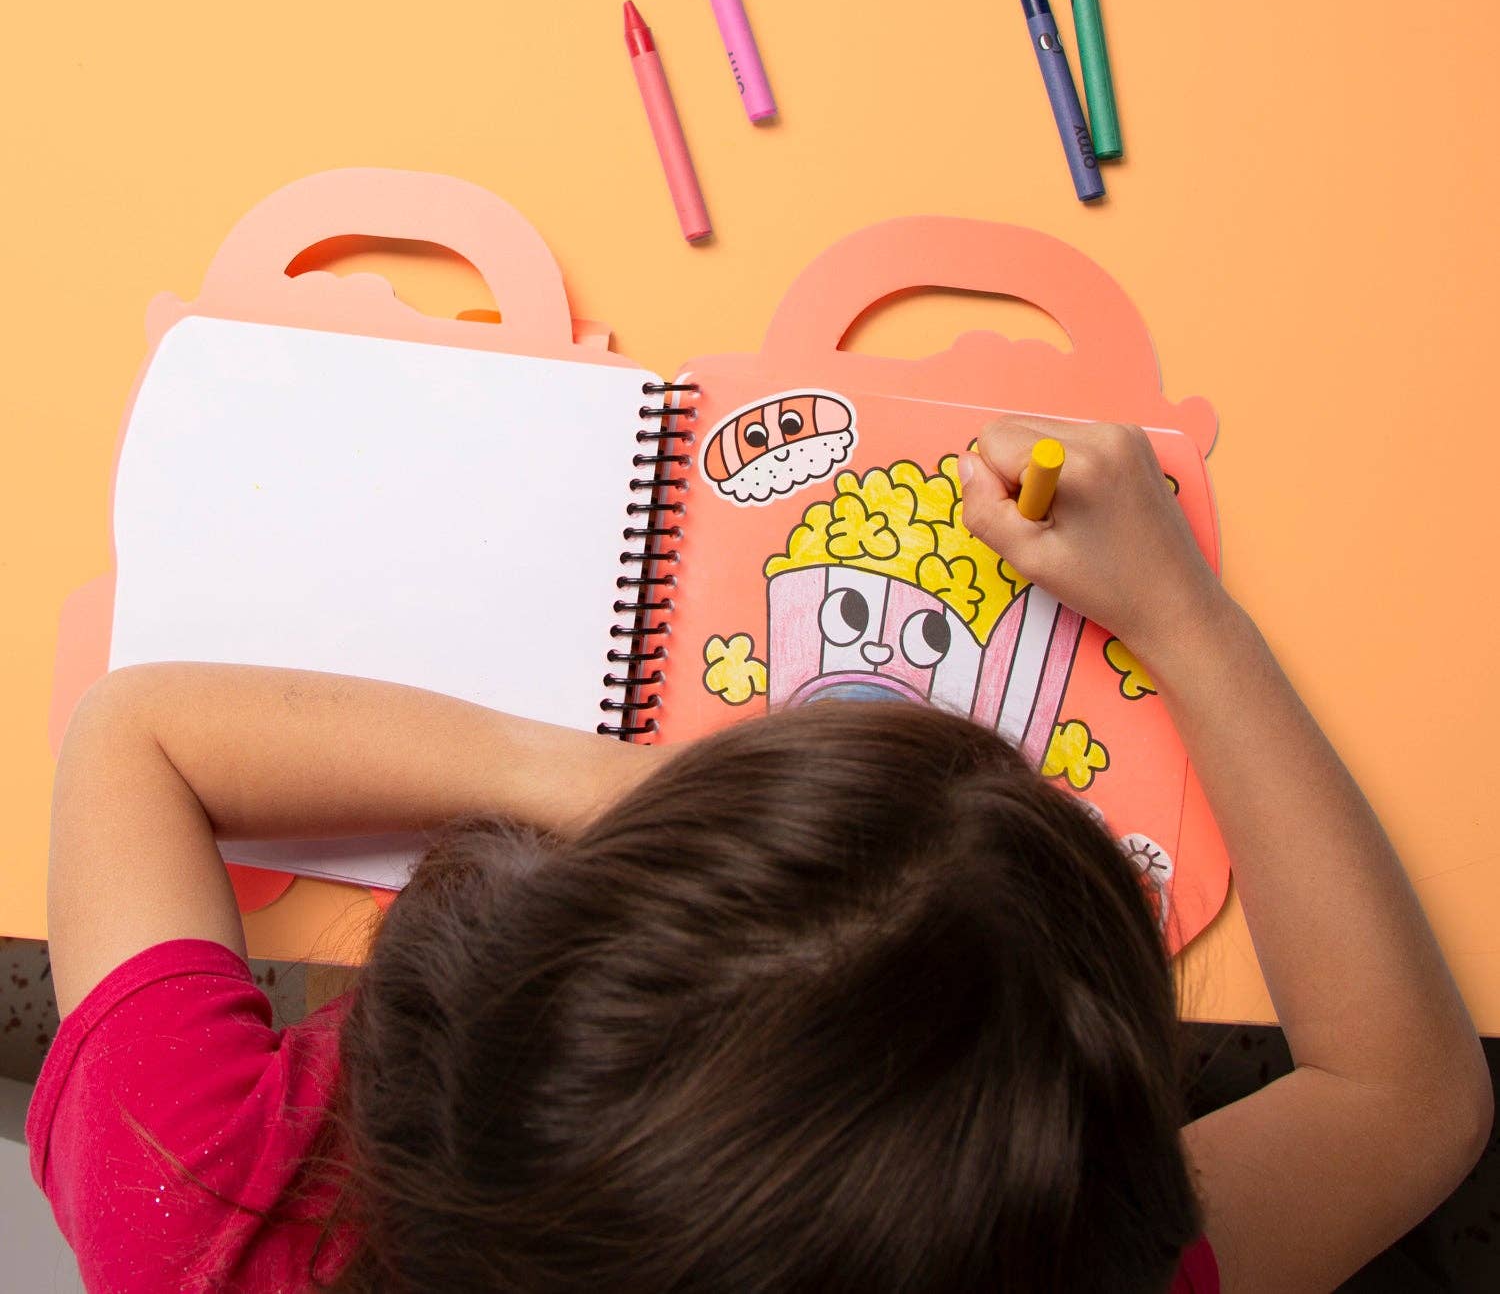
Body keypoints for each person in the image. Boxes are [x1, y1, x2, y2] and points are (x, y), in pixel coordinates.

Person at [30, 420, 1490, 1293]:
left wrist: (594, 778)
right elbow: (1405, 1094)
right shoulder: (1047, 1263)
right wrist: (1184, 620)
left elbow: (132, 733)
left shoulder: (208, 1204)